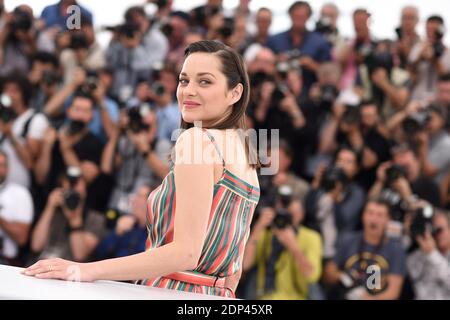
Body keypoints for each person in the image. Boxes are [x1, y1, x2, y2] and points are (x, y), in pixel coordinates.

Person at [23, 40, 261, 300]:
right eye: (184, 81)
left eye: (205, 82)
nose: (188, 91)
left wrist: (85, 270)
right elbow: (233, 270)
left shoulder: (197, 140)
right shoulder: (245, 151)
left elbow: (186, 252)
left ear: (235, 93)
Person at [323, 198, 406, 300]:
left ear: (387, 219)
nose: (374, 219)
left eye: (380, 215)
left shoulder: (396, 250)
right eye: (370, 213)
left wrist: (369, 299)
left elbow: (393, 293)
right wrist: (342, 276)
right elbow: (328, 273)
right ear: (363, 215)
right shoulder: (348, 240)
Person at [241, 196, 322, 300]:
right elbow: (245, 264)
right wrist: (258, 227)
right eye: (283, 213)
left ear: (302, 215)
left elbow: (312, 275)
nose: (287, 219)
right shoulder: (267, 234)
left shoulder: (311, 237)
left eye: (292, 214)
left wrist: (294, 247)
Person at [407, 209, 450, 299]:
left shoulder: (432, 254)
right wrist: (408, 233)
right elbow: (408, 275)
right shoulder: (417, 255)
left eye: (439, 230)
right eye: (432, 230)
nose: (436, 235)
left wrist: (433, 254)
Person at [0, 151, 33, 266]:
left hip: (5, 260)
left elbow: (22, 238)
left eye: (1, 165)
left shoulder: (19, 194)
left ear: (8, 168)